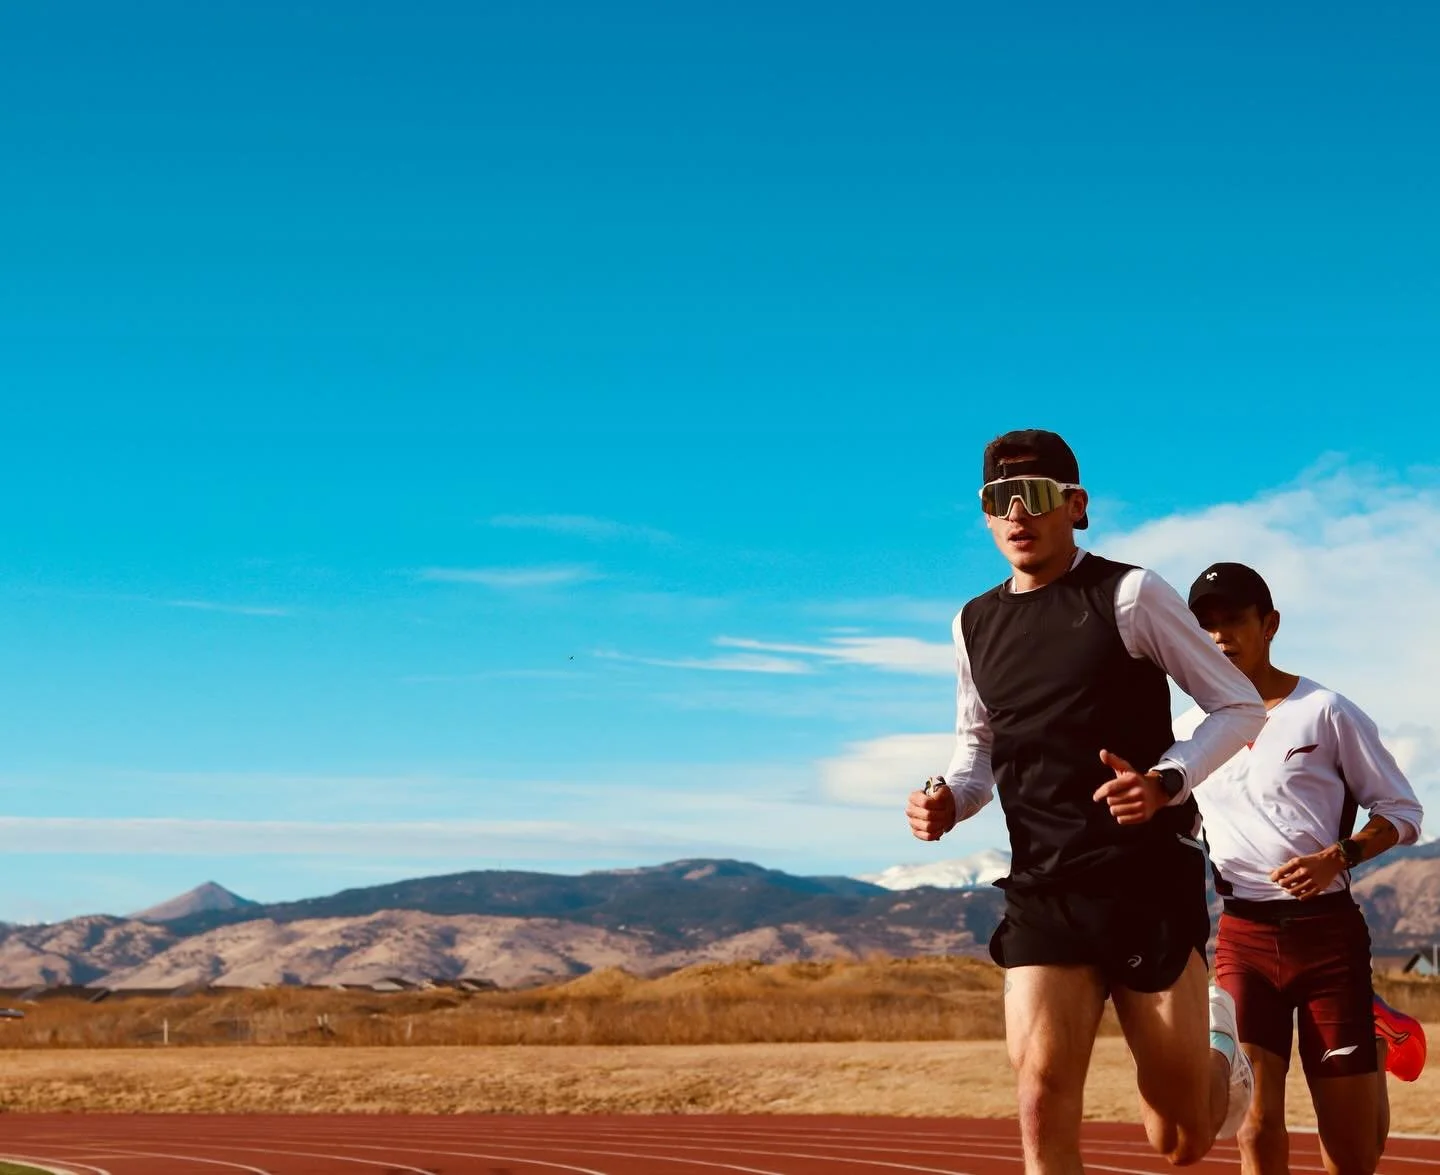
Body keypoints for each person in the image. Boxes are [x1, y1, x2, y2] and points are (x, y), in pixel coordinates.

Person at [907, 429, 1267, 1175]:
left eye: (1033, 496)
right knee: (1039, 1090)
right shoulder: (972, 623)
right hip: (1045, 888)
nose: (1016, 514)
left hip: (1144, 883)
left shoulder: (1130, 595)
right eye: (996, 500)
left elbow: (1237, 706)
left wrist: (1166, 780)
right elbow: (976, 754)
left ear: (1075, 506)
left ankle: (1221, 1050)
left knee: (1181, 1137)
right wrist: (950, 801)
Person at [1183, 562, 1427, 1175]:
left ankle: (1374, 1036)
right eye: (1204, 626)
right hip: (1242, 937)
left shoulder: (1325, 711)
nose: (1218, 637)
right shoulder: (1187, 733)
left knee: (1348, 1149)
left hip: (1328, 938)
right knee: (1253, 1120)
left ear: (1269, 625)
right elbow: (1178, 833)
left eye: (1233, 621)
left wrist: (1336, 857)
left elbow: (1402, 811)